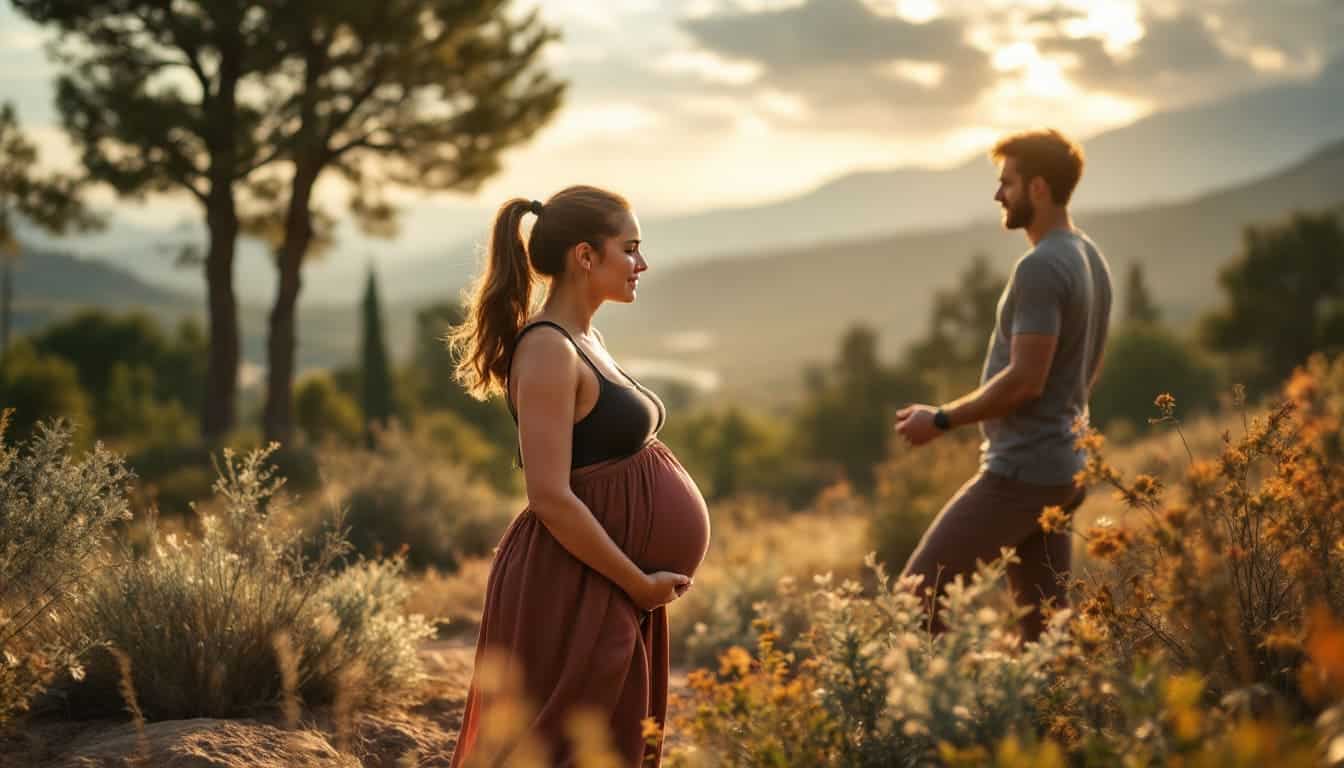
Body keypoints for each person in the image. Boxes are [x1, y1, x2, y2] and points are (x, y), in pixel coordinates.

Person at [447, 185, 711, 767]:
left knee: (607, 743)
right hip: (574, 582)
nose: (642, 264)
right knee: (562, 748)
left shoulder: (587, 339)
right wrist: (636, 583)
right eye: (631, 249)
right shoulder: (547, 349)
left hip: (606, 580)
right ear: (585, 256)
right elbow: (548, 495)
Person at [895, 129, 1112, 641]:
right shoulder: (1090, 257)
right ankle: (1053, 719)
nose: (998, 195)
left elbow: (1026, 380)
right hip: (1062, 467)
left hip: (1022, 472)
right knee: (1044, 631)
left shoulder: (1041, 267)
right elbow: (1080, 371)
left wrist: (941, 419)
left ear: (1037, 188)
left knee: (915, 599)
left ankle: (936, 714)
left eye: (1006, 183)